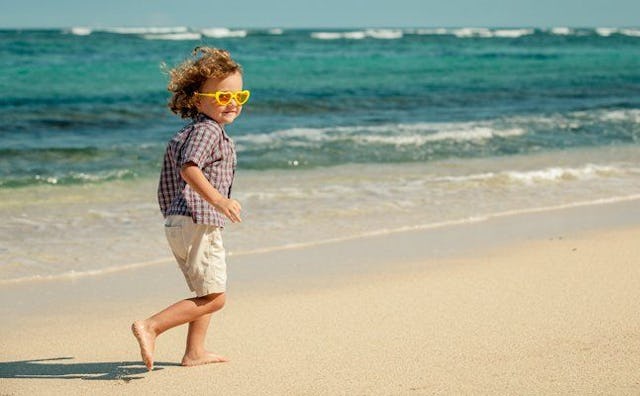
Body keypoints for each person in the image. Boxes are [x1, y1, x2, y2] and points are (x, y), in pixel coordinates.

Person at [131, 47, 250, 371]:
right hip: (196, 218)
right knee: (216, 297)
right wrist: (219, 200)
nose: (233, 102)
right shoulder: (207, 130)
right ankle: (152, 326)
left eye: (240, 94)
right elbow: (190, 168)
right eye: (223, 96)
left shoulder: (193, 130)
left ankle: (194, 352)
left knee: (205, 290)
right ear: (198, 100)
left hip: (181, 221)